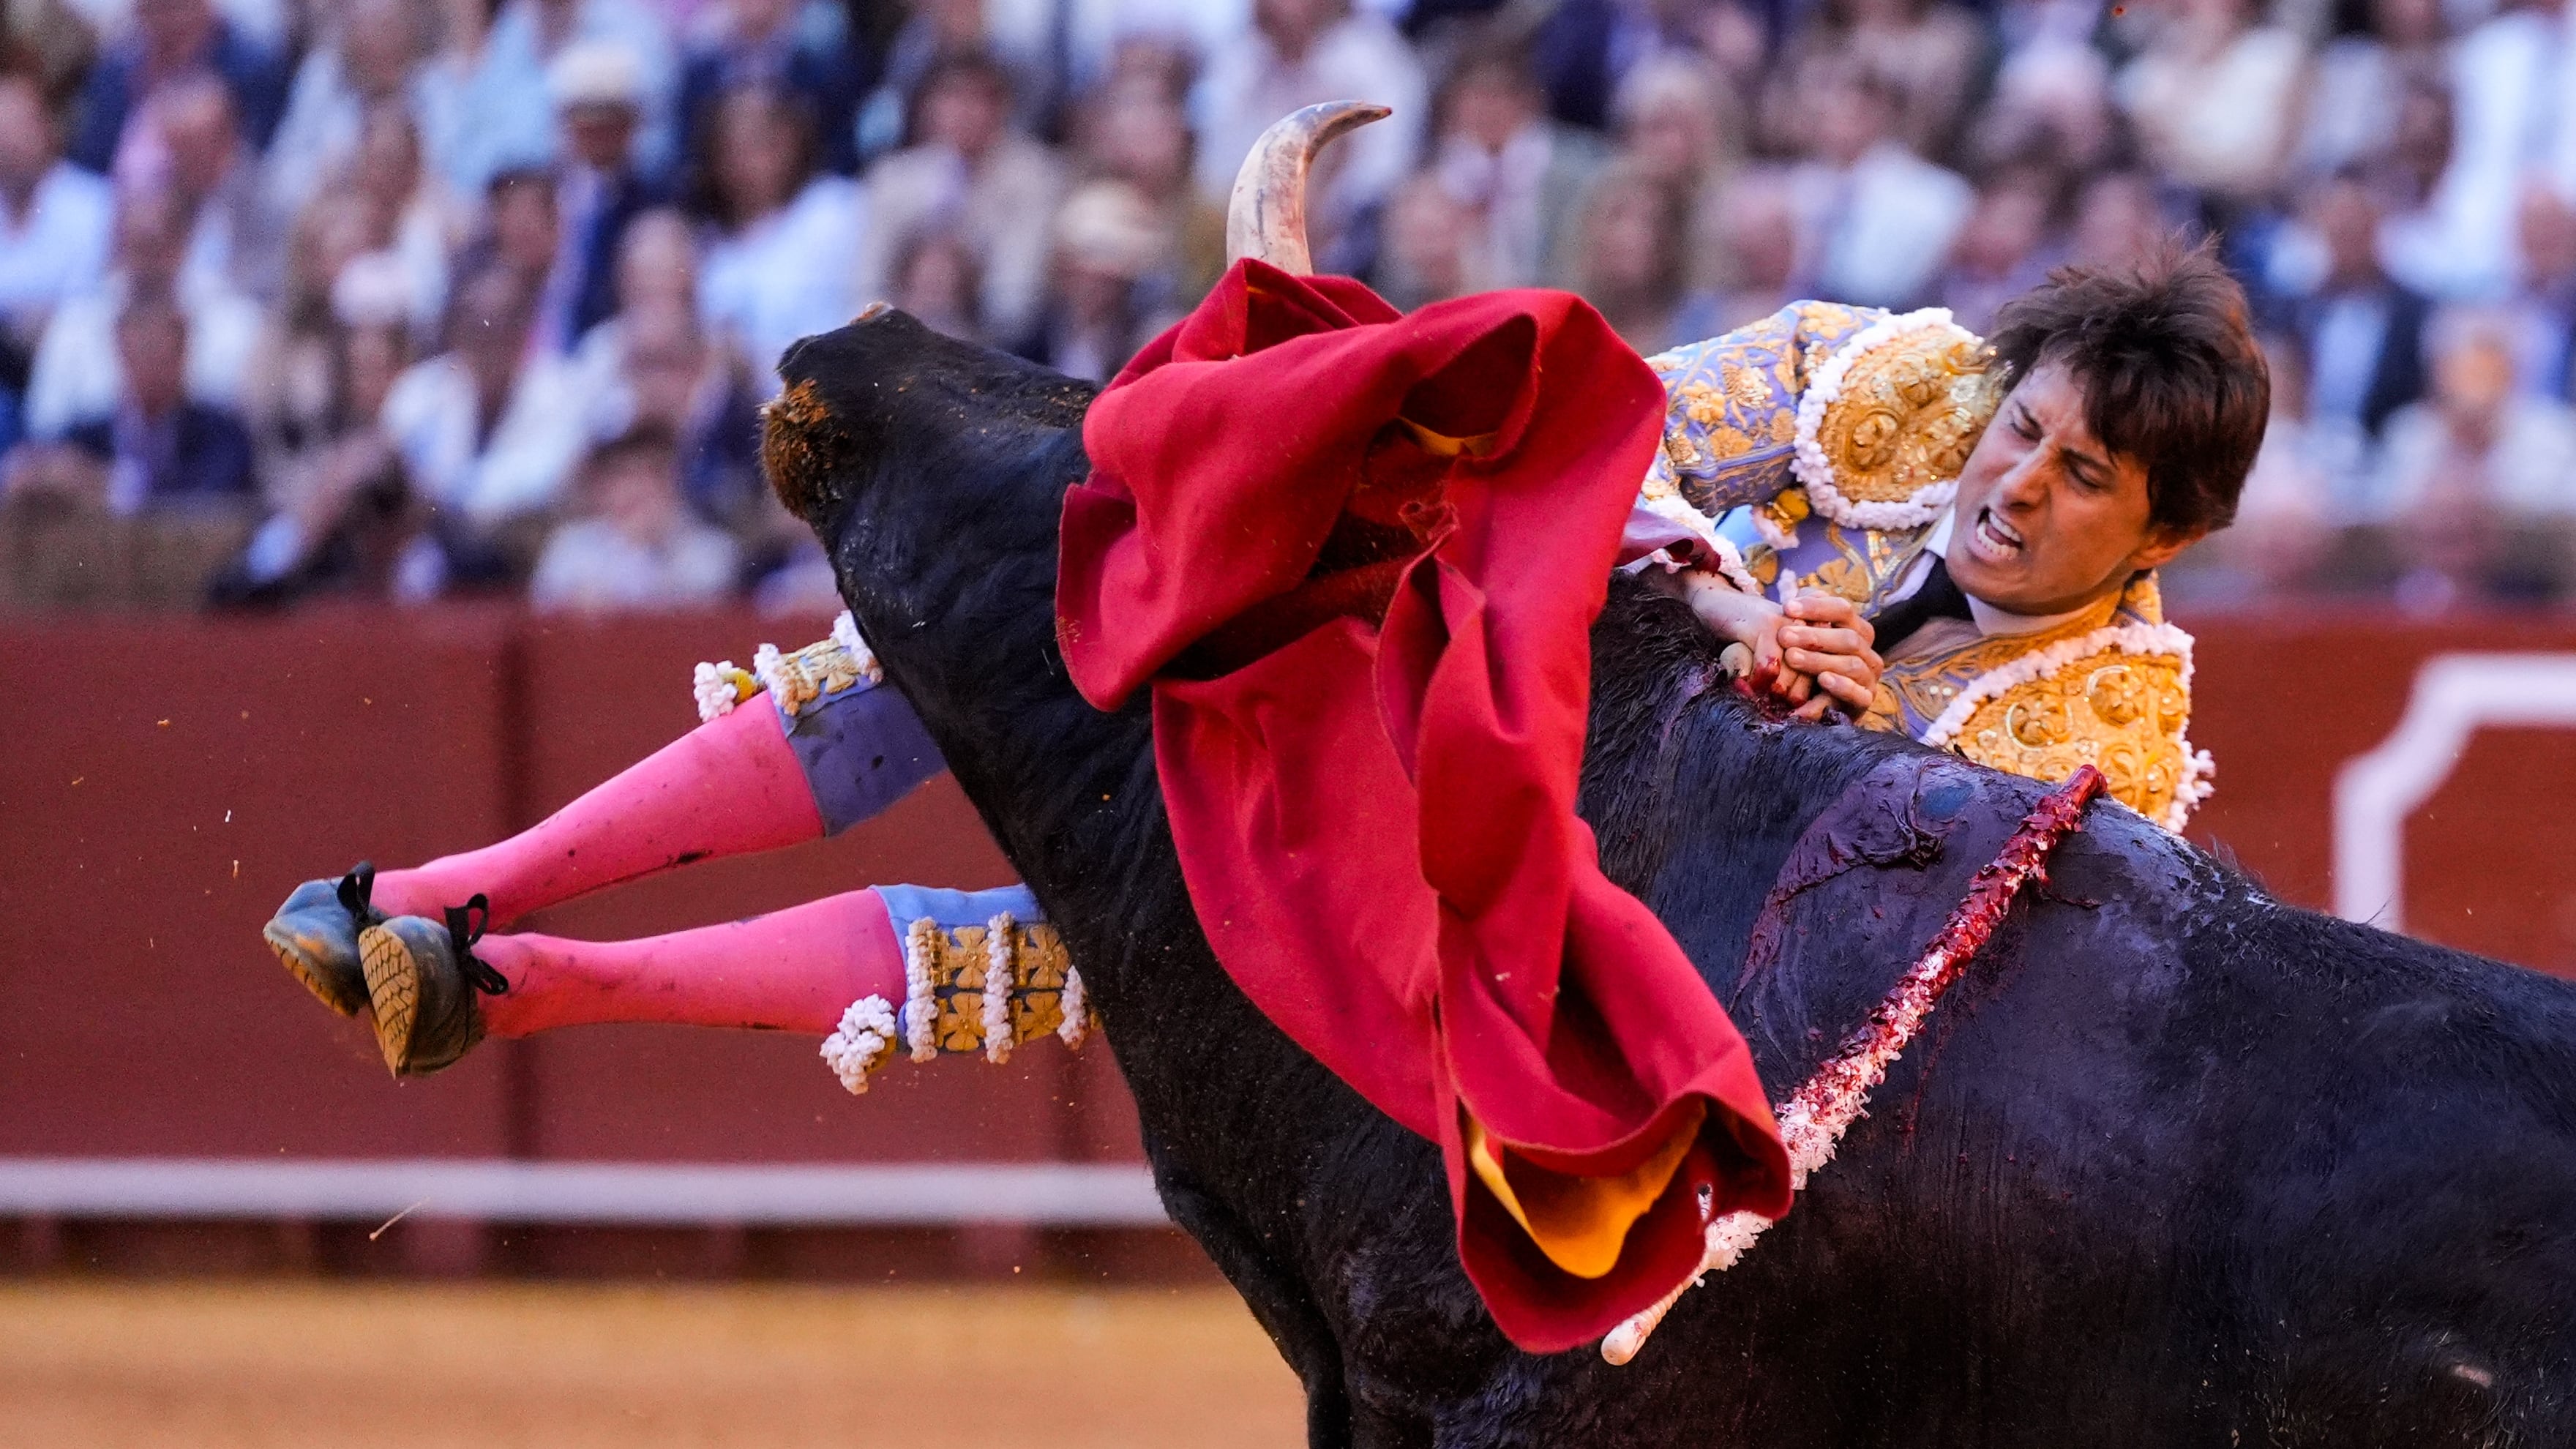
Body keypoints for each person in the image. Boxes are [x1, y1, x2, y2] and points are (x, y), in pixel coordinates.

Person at [1627, 240, 2269, 830]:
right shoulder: (1886, 376)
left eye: (2083, 476)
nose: (2018, 484)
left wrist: (1848, 738)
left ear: (2164, 540)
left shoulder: (2105, 767)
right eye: (2021, 427)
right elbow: (1611, 420)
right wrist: (1702, 590)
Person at [528, 424, 740, 613]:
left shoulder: (712, 550)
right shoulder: (572, 546)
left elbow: (701, 614)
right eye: (624, 475)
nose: (634, 489)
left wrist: (648, 548)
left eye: (650, 475)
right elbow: (545, 611)